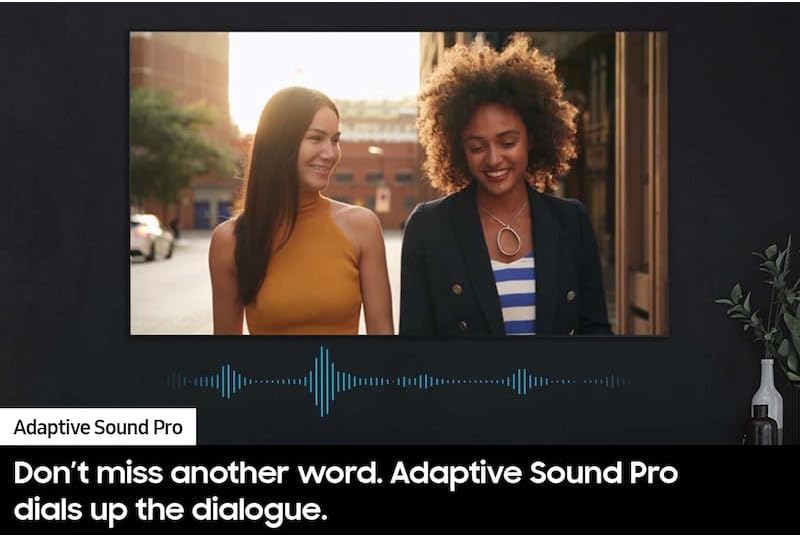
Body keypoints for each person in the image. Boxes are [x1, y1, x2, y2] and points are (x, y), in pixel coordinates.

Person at [401, 35, 611, 336]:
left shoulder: (571, 221)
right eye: (477, 147)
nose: (494, 159)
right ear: (458, 149)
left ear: (533, 137)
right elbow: (414, 349)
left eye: (508, 142)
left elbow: (597, 335)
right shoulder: (428, 227)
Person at [209, 87, 393, 335]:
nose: (330, 153)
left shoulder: (362, 227)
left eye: (335, 140)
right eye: (316, 138)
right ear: (280, 144)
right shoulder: (230, 240)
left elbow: (383, 342)